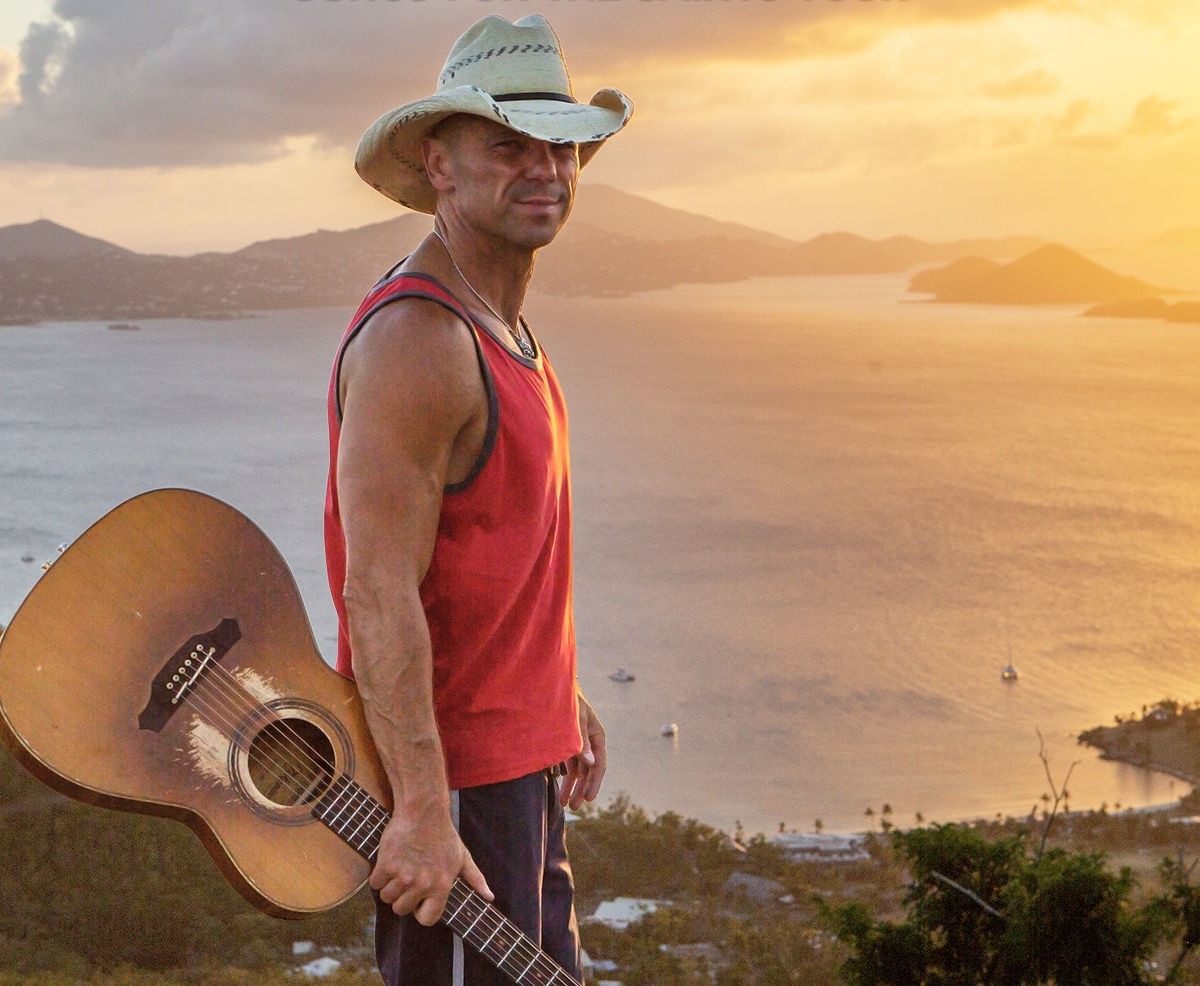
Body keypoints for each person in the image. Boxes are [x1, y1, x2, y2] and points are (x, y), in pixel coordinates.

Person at [323, 14, 632, 986]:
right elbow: (377, 591)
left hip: (515, 775)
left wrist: (554, 694)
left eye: (562, 145)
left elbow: (493, 553)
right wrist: (417, 808)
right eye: (509, 145)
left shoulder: (502, 323)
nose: (545, 167)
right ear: (440, 163)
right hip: (453, 796)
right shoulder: (421, 339)